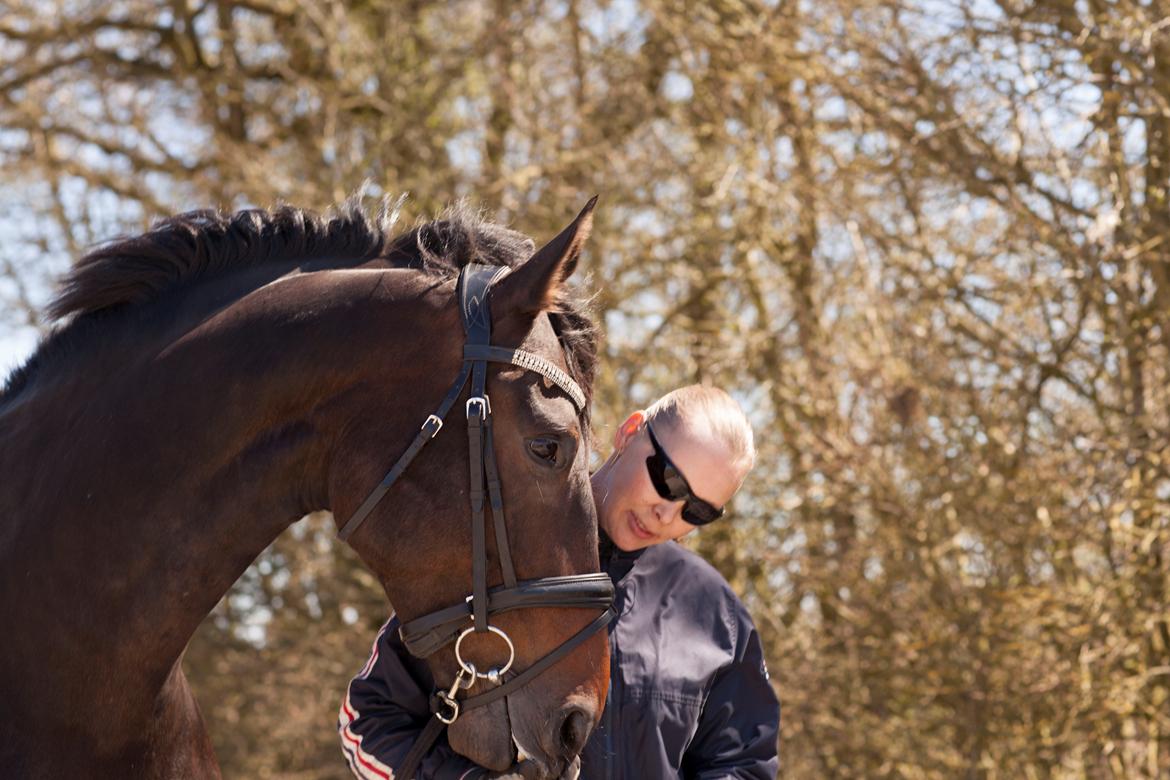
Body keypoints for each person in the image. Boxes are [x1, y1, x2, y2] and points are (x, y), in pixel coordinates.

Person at [338, 385, 779, 779]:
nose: (669, 514)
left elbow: (742, 765)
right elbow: (367, 722)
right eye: (668, 480)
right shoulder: (497, 556)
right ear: (629, 433)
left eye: (697, 511)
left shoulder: (716, 614)